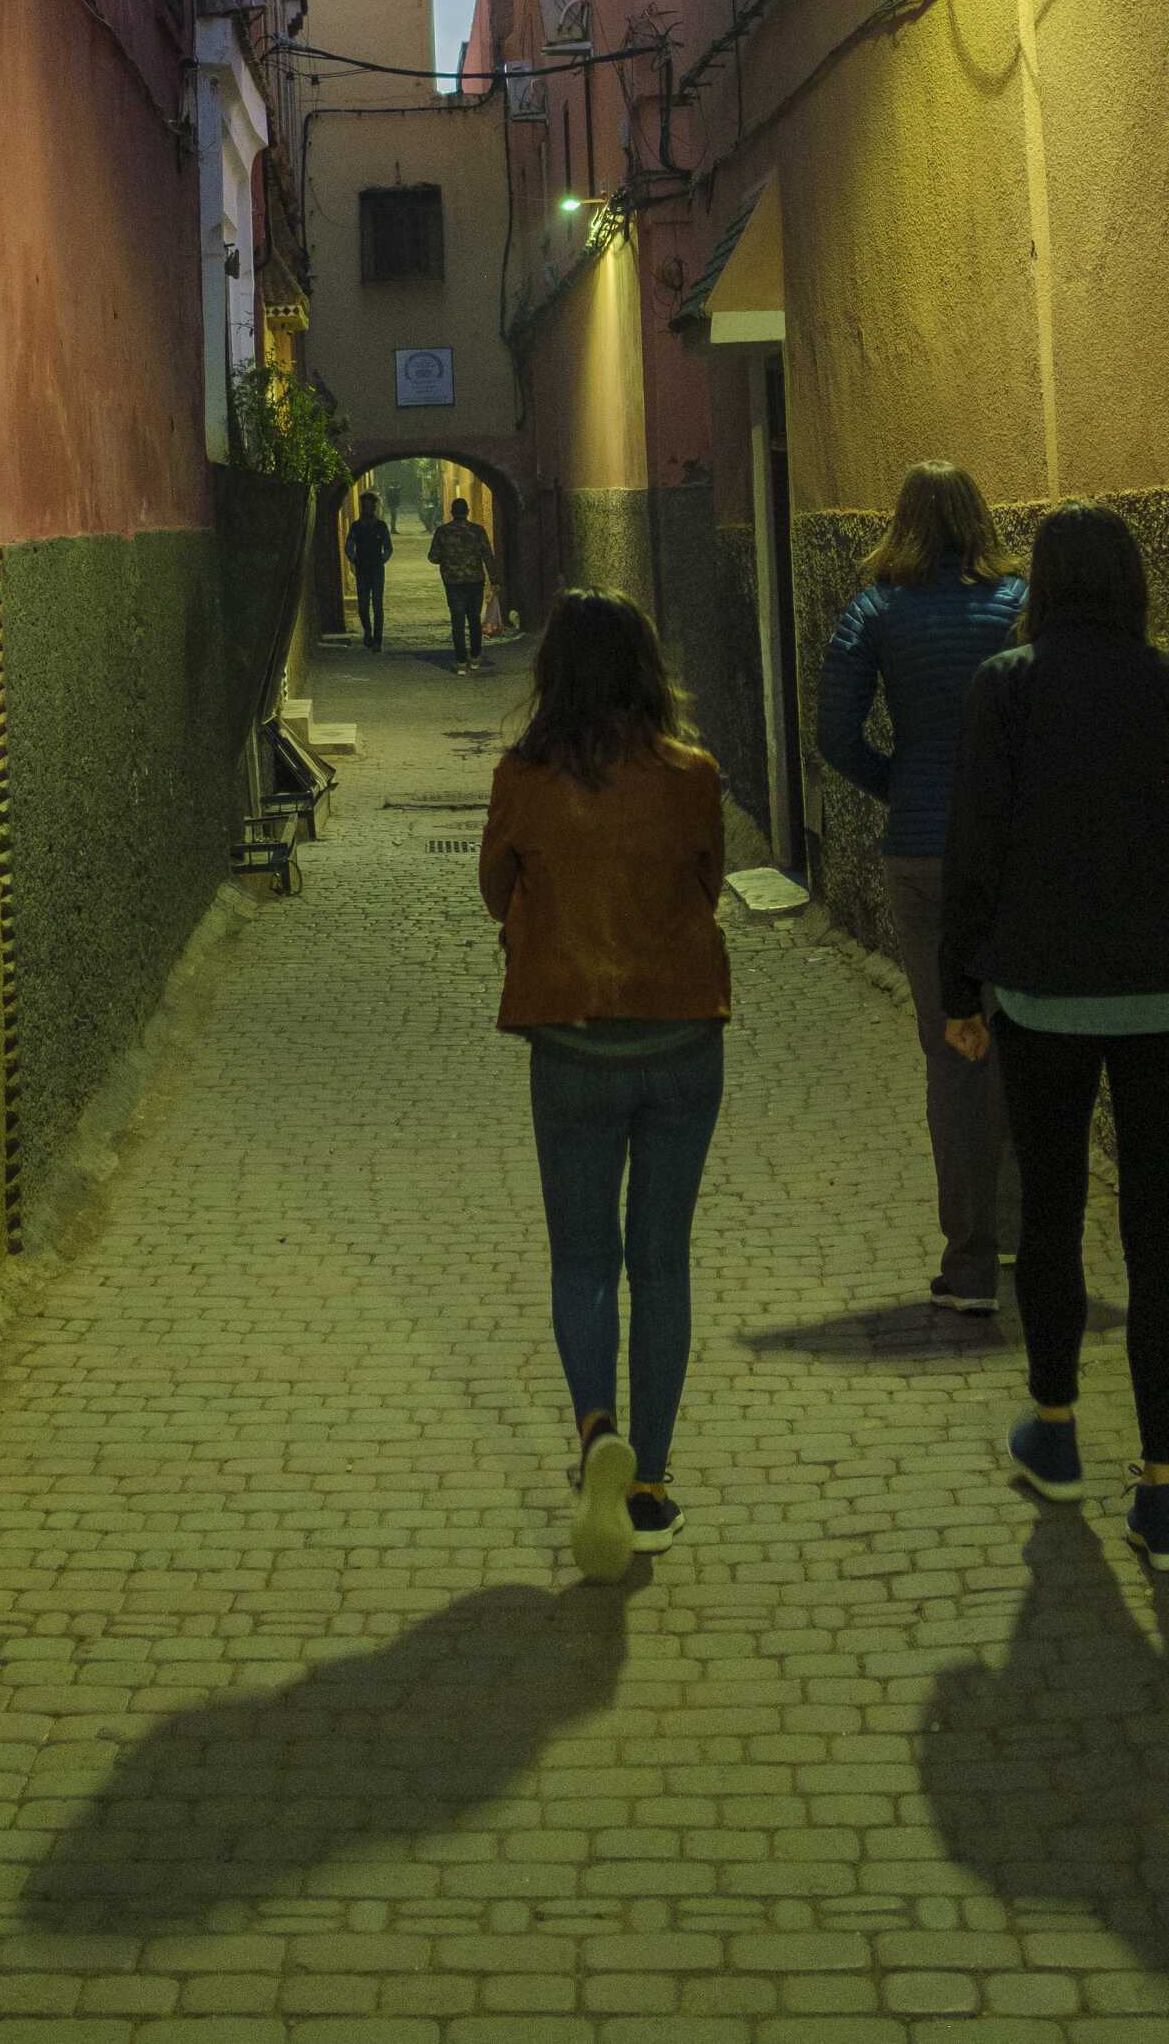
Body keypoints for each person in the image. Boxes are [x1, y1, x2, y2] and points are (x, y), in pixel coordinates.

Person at [939, 502, 1169, 1573]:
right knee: (1160, 1236)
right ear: (1130, 582)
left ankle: (1057, 1428)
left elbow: (973, 842)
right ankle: (1163, 1499)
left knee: (1058, 1212)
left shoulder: (1009, 684)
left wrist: (960, 987)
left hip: (1045, 993)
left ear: (1041, 580)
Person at [479, 591, 729, 1579]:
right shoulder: (691, 774)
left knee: (582, 1259)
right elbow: (706, 883)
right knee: (661, 1259)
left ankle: (595, 1432)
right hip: (678, 1043)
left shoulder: (523, 776)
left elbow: (498, 889)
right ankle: (652, 1485)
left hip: (573, 1047)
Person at [817, 461, 1026, 1316]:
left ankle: (969, 1263)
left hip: (921, 855)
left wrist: (901, 782)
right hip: (1010, 854)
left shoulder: (873, 610)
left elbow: (835, 734)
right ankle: (1022, 1236)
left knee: (953, 1049)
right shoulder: (1015, 603)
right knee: (1017, 1039)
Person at [428, 495, 500, 674]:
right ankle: (475, 658)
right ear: (467, 512)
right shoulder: (478, 531)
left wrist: (448, 558)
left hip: (453, 584)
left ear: (452, 512)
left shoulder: (442, 532)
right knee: (474, 620)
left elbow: (433, 557)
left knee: (457, 622)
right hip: (475, 582)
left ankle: (461, 663)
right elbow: (488, 556)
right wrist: (494, 579)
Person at [343, 491, 394, 649]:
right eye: (365, 506)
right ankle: (368, 630)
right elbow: (348, 546)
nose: (368, 509)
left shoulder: (381, 526)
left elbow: (388, 547)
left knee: (378, 605)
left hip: (377, 570)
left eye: (370, 507)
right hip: (363, 570)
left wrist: (382, 559)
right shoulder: (356, 527)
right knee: (363, 606)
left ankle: (377, 640)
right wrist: (355, 560)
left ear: (374, 507)